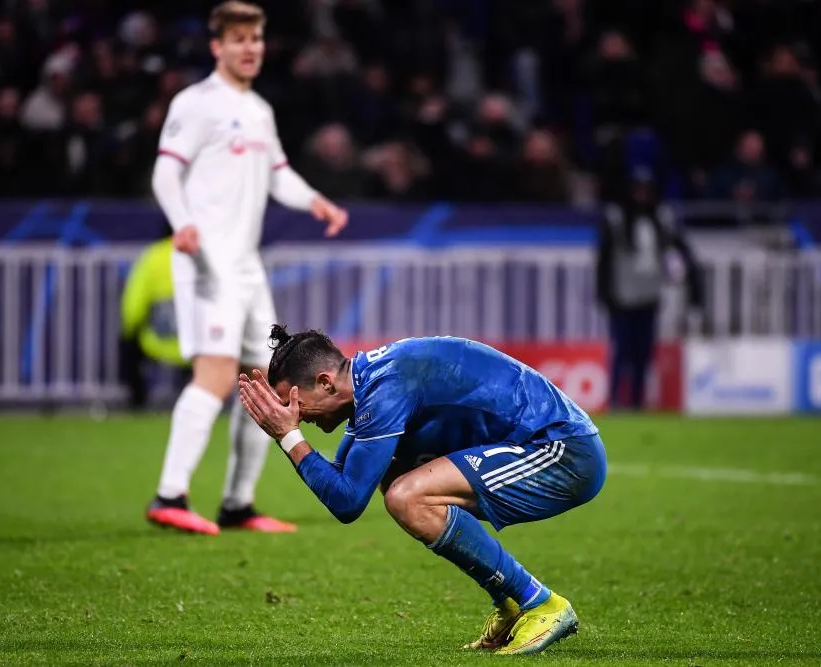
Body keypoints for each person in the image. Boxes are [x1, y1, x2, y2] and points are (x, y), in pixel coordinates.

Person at [237, 326, 608, 655]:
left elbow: (347, 500)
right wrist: (290, 437)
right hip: (540, 446)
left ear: (326, 383)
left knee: (407, 496)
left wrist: (288, 437)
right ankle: (510, 602)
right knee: (392, 476)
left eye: (295, 403)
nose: (295, 414)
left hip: (562, 450)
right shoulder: (372, 385)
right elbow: (345, 490)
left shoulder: (386, 387)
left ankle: (542, 604)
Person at [147, 1, 349, 535]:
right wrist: (182, 222)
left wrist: (315, 202)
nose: (250, 47)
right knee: (214, 376)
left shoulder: (258, 110)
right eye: (238, 39)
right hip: (207, 260)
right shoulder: (196, 104)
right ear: (217, 46)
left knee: (268, 385)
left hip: (246, 267)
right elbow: (166, 174)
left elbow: (277, 174)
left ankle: (238, 504)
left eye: (256, 38)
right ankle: (169, 494)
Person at [596, 167, 703, 411]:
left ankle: (636, 401)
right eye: (637, 190)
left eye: (646, 190)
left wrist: (690, 274)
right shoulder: (616, 218)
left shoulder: (660, 219)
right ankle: (615, 400)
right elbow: (603, 259)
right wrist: (604, 292)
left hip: (649, 295)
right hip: (622, 296)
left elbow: (679, 246)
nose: (641, 195)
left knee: (642, 354)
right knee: (622, 352)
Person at [119, 233, 190, 411]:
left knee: (127, 348)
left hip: (157, 343)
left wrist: (129, 332)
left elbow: (133, 306)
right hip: (197, 347)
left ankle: (138, 403)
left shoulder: (152, 257)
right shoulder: (203, 257)